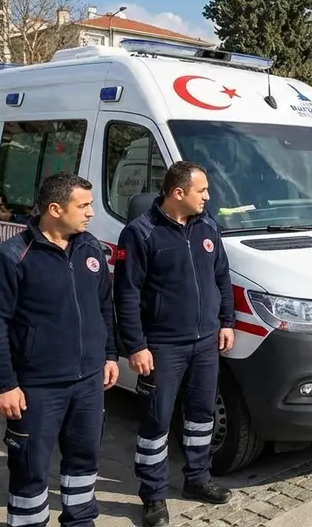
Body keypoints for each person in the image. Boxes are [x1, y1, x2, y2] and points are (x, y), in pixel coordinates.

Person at [0, 173, 118, 527]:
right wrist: (4, 385)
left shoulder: (91, 249)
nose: (91, 213)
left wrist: (110, 355)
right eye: (83, 206)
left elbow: (104, 307)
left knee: (84, 463)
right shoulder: (10, 257)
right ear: (55, 209)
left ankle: (80, 521)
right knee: (30, 470)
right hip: (36, 389)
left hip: (88, 384)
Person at [115, 161, 235, 527]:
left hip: (205, 343)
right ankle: (153, 495)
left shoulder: (208, 226)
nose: (208, 197)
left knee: (200, 416)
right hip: (162, 347)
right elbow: (126, 294)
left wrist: (227, 322)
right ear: (178, 193)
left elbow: (221, 277)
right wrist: (136, 346)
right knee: (156, 422)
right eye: (202, 190)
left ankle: (197, 478)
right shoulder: (140, 233)